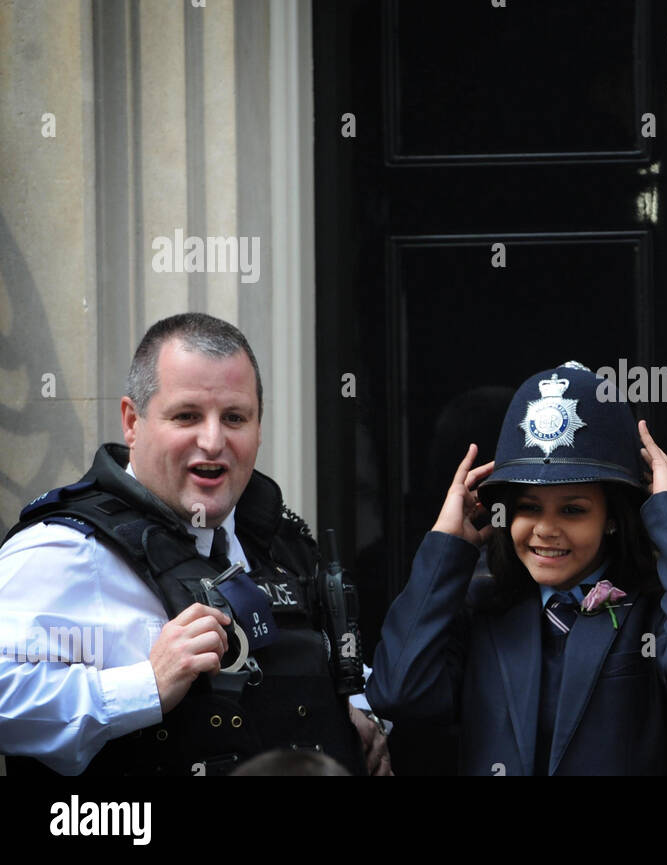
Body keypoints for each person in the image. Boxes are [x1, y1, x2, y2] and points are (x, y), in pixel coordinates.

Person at [0, 312, 383, 775]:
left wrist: (356, 713)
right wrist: (147, 685)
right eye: (187, 416)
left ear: (259, 427)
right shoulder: (65, 549)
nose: (213, 440)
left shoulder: (277, 540)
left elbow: (317, 661)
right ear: (132, 422)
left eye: (235, 417)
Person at [365, 362, 667, 774]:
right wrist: (446, 546)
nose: (546, 529)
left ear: (612, 518)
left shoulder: (653, 612)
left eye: (573, 510)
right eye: (528, 508)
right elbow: (396, 691)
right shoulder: (482, 612)